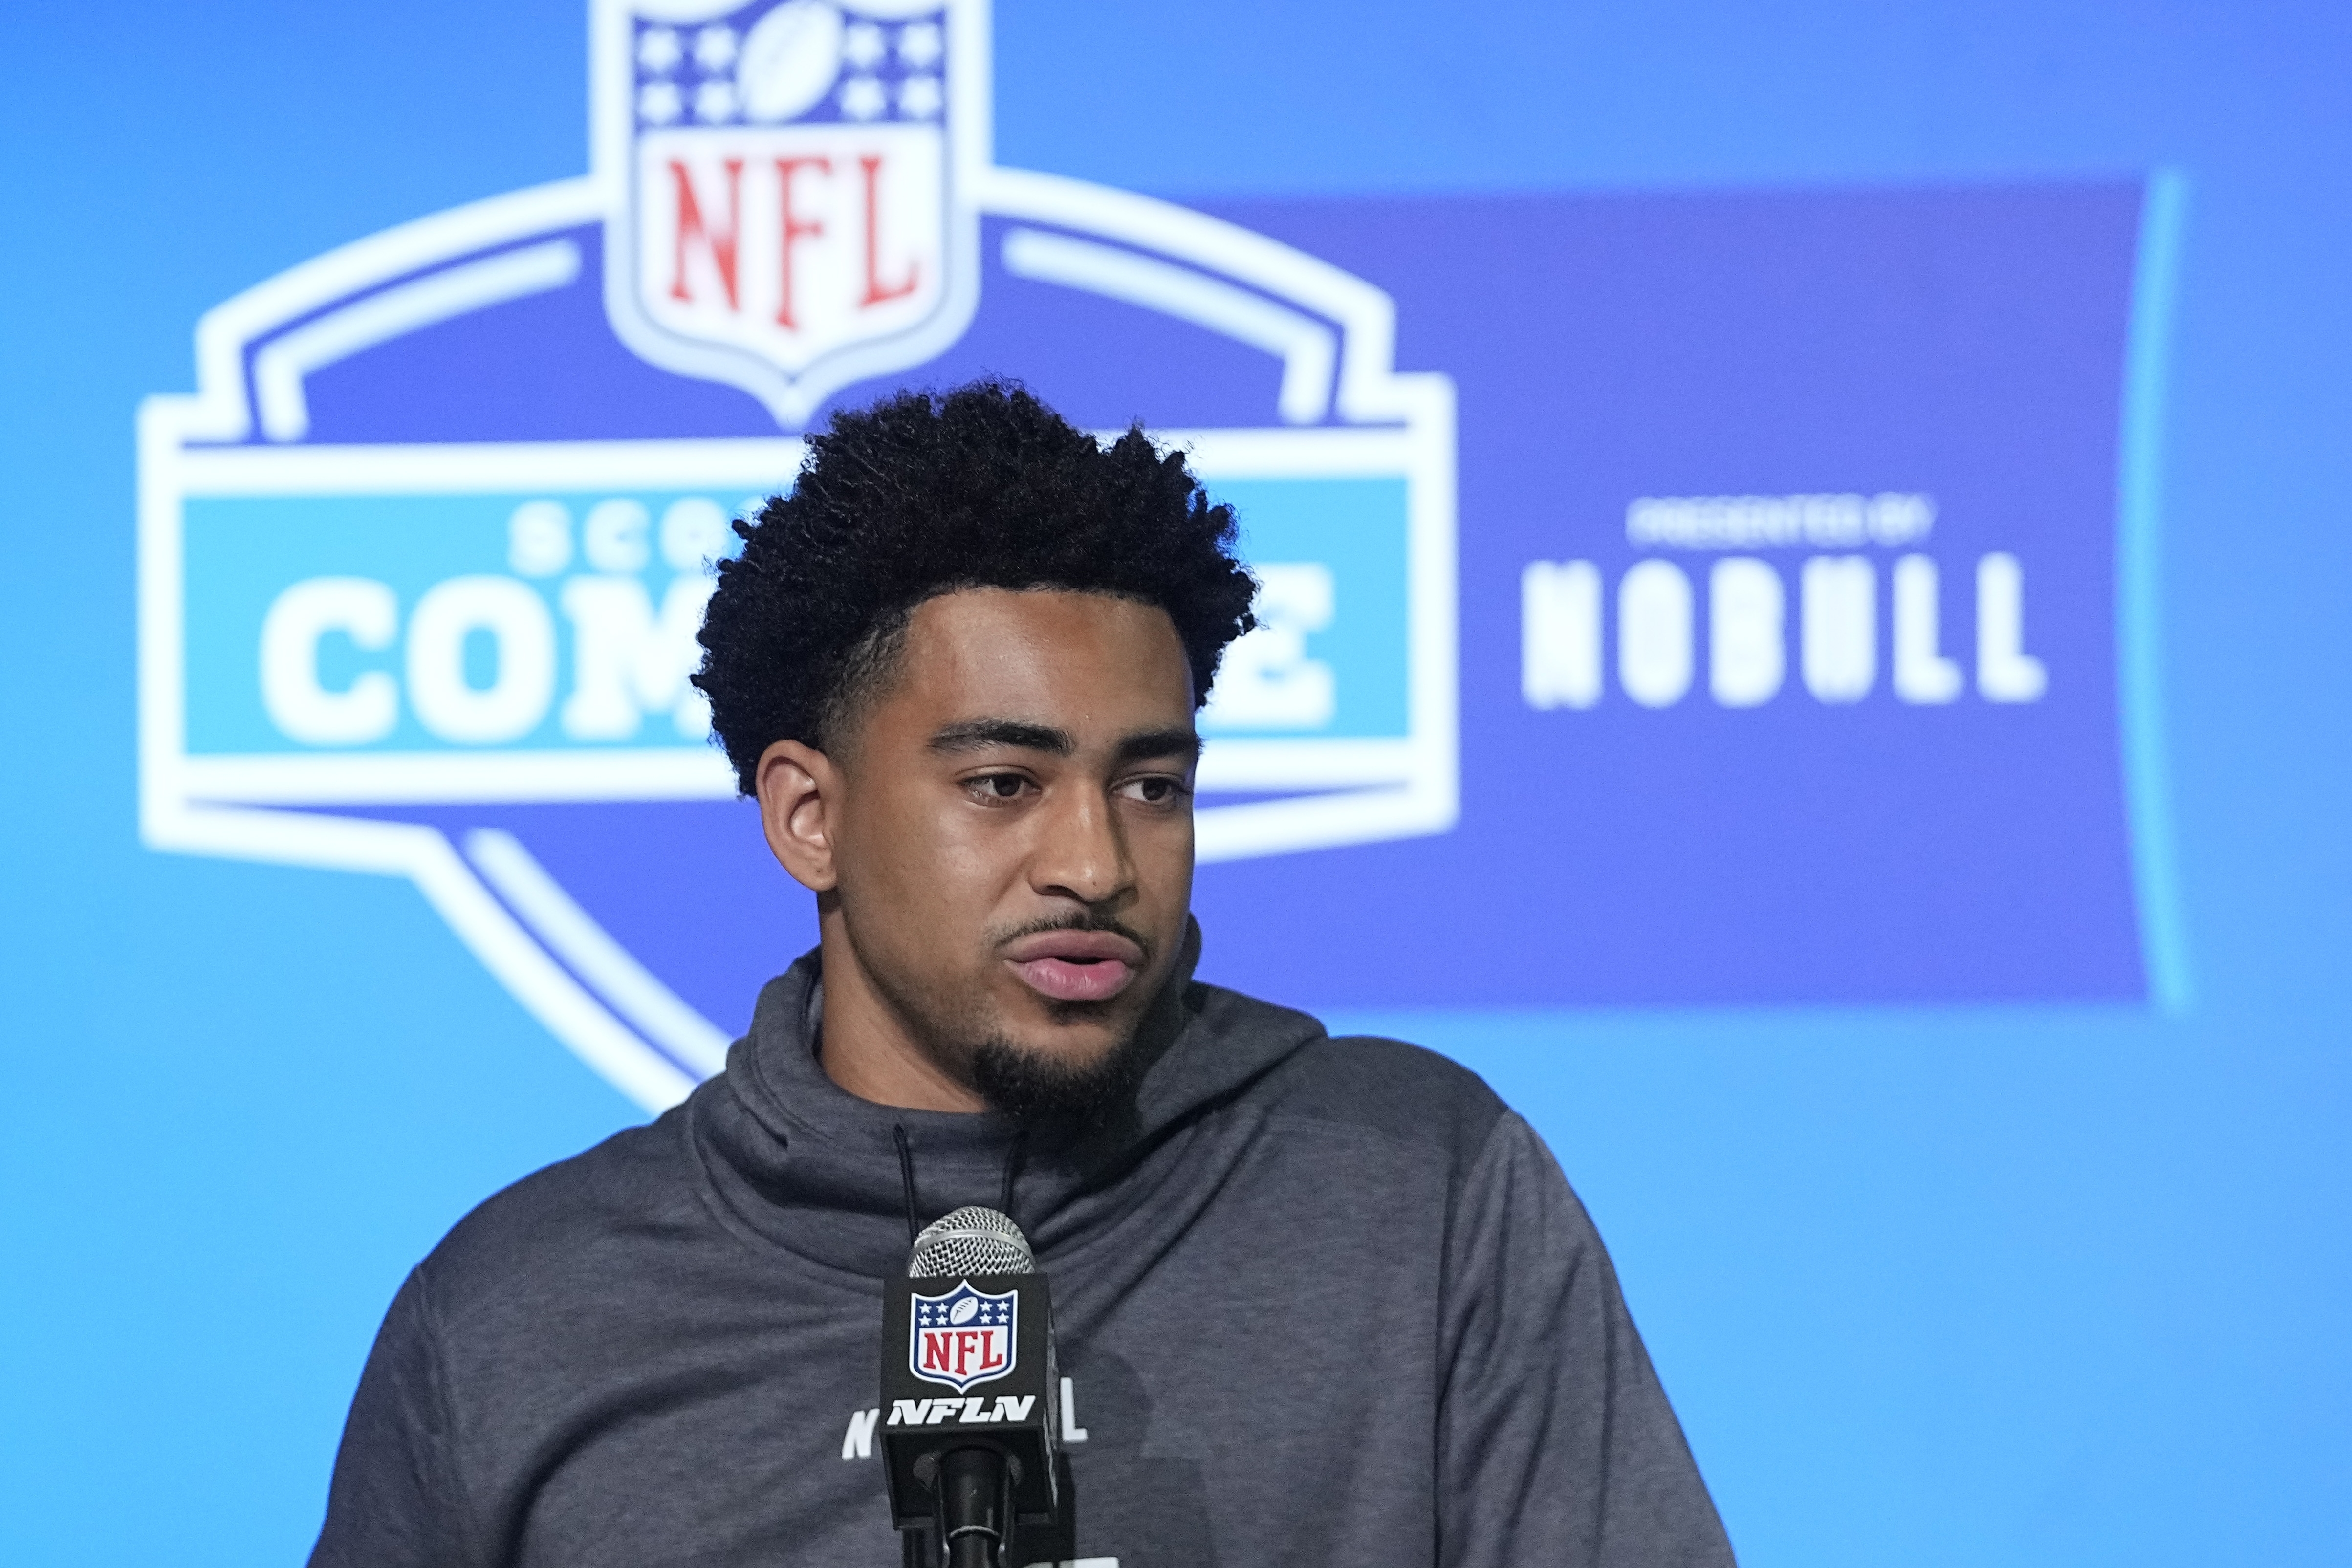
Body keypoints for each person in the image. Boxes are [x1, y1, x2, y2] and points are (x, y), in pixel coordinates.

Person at [310, 381, 1735, 1568]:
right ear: (810, 816)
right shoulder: (517, 1314)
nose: (1097, 864)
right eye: (1003, 782)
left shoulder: (1416, 1188)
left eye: (1152, 786)